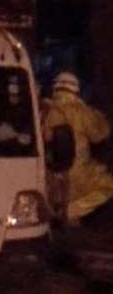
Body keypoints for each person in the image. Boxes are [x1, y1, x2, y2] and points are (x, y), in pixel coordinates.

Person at [42, 71, 113, 229]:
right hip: (77, 175)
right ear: (76, 90)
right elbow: (100, 134)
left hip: (47, 176)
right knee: (108, 184)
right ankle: (71, 212)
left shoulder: (42, 109)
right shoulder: (80, 110)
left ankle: (57, 214)